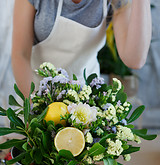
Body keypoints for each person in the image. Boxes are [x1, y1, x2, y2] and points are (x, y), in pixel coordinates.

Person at [11, 0, 152, 98]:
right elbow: (20, 54)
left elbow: (135, 59)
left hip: (87, 105)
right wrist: (33, 109)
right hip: (33, 94)